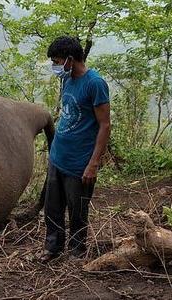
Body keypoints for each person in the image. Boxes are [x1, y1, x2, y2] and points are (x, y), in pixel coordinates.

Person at [39, 36, 111, 262]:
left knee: (77, 211)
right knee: (53, 208)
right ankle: (52, 248)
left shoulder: (95, 83)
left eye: (57, 61)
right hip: (58, 156)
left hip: (80, 162)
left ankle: (77, 252)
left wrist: (93, 163)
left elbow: (105, 125)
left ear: (70, 59)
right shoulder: (68, 79)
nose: (55, 66)